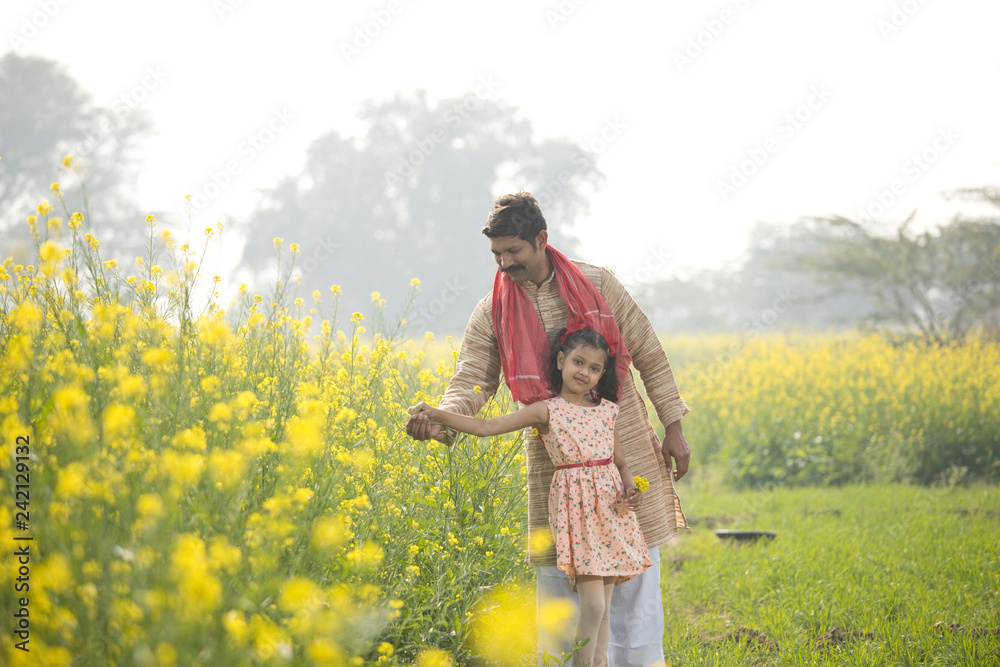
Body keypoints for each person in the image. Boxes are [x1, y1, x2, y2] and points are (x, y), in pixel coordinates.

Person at [406, 191, 690, 667]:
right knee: (562, 583)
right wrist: (440, 418)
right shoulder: (491, 310)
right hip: (556, 467)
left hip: (623, 447)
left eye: (513, 251)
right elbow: (474, 379)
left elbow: (647, 352)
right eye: (497, 254)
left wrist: (674, 427)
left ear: (540, 239)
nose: (505, 263)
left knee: (635, 580)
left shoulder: (598, 283)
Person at [411, 327, 652, 667]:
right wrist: (436, 413)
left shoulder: (607, 411)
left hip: (613, 510)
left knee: (607, 607)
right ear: (561, 361)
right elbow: (488, 426)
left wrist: (630, 488)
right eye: (578, 362)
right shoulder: (546, 410)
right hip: (578, 511)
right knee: (594, 606)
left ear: (601, 374)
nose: (584, 372)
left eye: (594, 368)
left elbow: (621, 461)